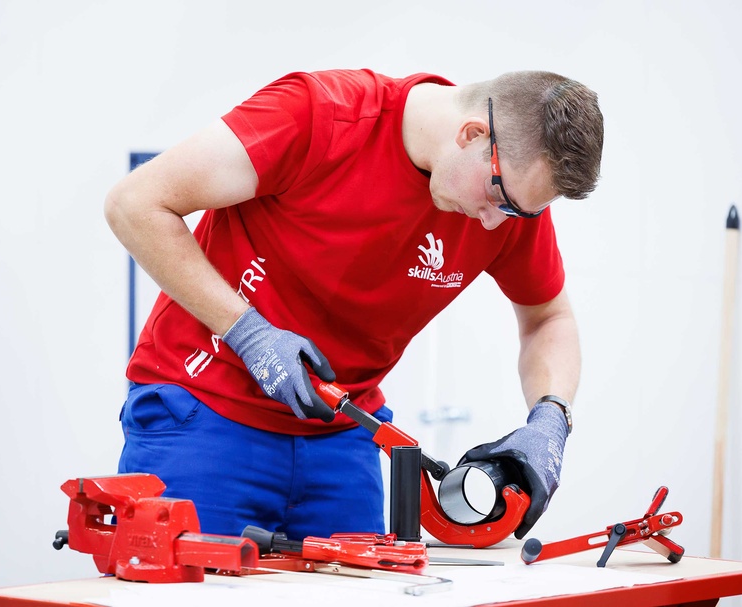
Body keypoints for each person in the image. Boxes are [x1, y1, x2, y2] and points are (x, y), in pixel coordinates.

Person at [104, 68, 603, 542]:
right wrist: (247, 332)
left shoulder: (509, 200)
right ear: (472, 135)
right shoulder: (318, 115)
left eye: (522, 210)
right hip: (206, 416)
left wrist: (551, 417)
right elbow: (136, 202)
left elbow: (548, 318)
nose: (497, 223)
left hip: (343, 434)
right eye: (501, 199)